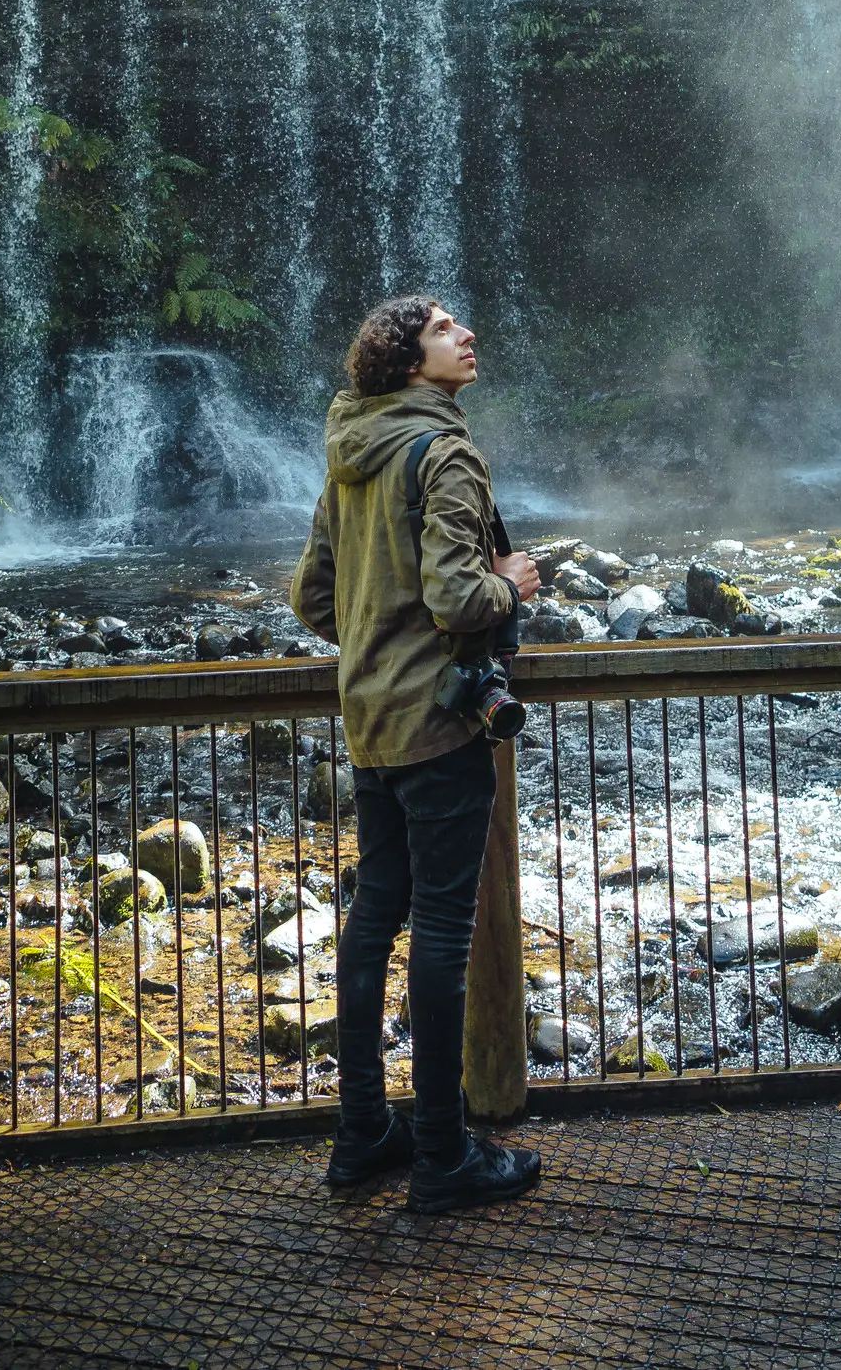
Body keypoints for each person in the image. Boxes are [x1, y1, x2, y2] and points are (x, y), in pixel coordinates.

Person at [289, 293, 545, 1212]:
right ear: (408, 363)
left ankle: (364, 1131)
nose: (468, 333)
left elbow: (311, 598)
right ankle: (442, 1154)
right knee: (440, 930)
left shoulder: (351, 456)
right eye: (444, 329)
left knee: (375, 915)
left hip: (368, 724)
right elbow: (456, 595)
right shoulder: (443, 450)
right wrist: (508, 586)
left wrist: (373, 637)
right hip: (437, 727)